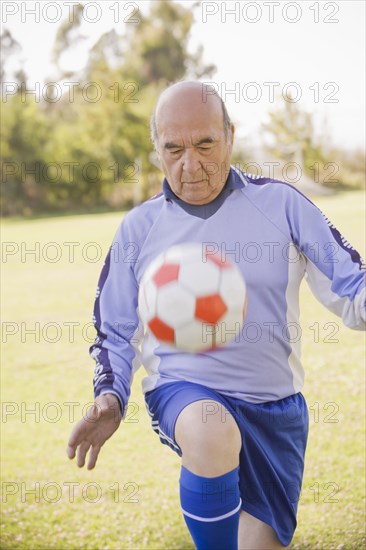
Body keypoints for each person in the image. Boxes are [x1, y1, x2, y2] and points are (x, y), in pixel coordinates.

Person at [67, 81, 365, 550]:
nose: (191, 164)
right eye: (174, 148)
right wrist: (111, 393)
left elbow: (352, 284)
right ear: (157, 150)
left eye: (205, 143)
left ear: (230, 135)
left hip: (275, 409)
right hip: (183, 393)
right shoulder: (139, 229)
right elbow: (115, 330)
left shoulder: (282, 206)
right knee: (209, 426)